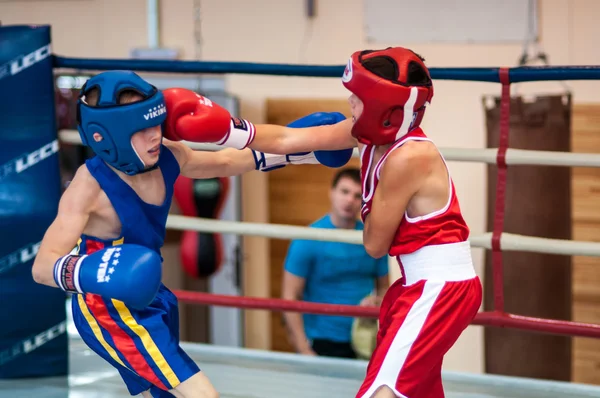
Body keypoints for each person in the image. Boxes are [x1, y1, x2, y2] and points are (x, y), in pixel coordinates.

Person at [174, 47, 483, 398]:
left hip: (439, 287)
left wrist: (363, 201)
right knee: (417, 391)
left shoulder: (409, 157)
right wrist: (226, 129)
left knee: (381, 390)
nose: (350, 102)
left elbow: (374, 244)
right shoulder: (366, 134)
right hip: (418, 283)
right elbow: (288, 139)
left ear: (383, 105)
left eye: (358, 97)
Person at [31, 71, 352, 398]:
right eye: (141, 130)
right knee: (201, 394)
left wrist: (305, 148)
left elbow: (227, 162)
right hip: (108, 309)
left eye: (156, 124)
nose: (155, 136)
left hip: (151, 295)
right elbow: (42, 267)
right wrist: (93, 269)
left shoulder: (167, 156)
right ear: (107, 136)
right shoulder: (89, 187)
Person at [282, 167, 389, 359]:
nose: (349, 200)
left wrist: (375, 302)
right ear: (331, 192)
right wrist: (303, 349)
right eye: (344, 191)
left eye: (357, 195)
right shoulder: (308, 238)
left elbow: (384, 290)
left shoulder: (373, 239)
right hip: (322, 340)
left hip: (366, 338)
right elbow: (290, 296)